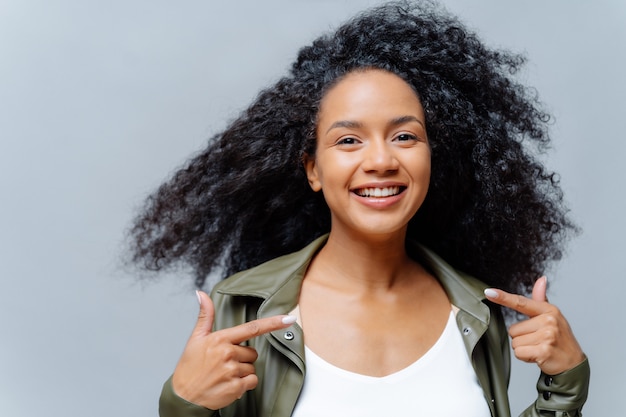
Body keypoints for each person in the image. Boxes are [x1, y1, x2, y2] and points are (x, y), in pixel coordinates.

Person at [129, 1, 590, 416]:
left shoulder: (476, 312)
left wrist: (565, 383)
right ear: (312, 169)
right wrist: (184, 404)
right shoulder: (246, 307)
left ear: (433, 157)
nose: (381, 161)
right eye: (348, 140)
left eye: (405, 136)